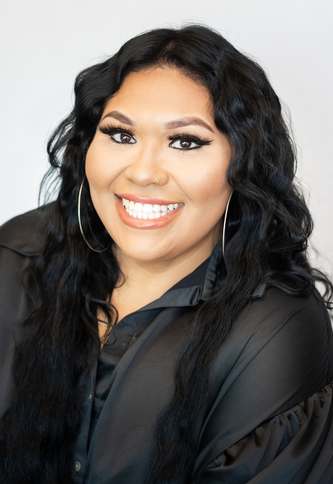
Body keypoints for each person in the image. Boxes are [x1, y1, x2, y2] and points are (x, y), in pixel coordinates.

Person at [0, 24, 332, 484]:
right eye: (120, 135)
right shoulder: (15, 256)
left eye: (186, 142)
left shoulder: (275, 330)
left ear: (243, 165)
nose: (143, 173)